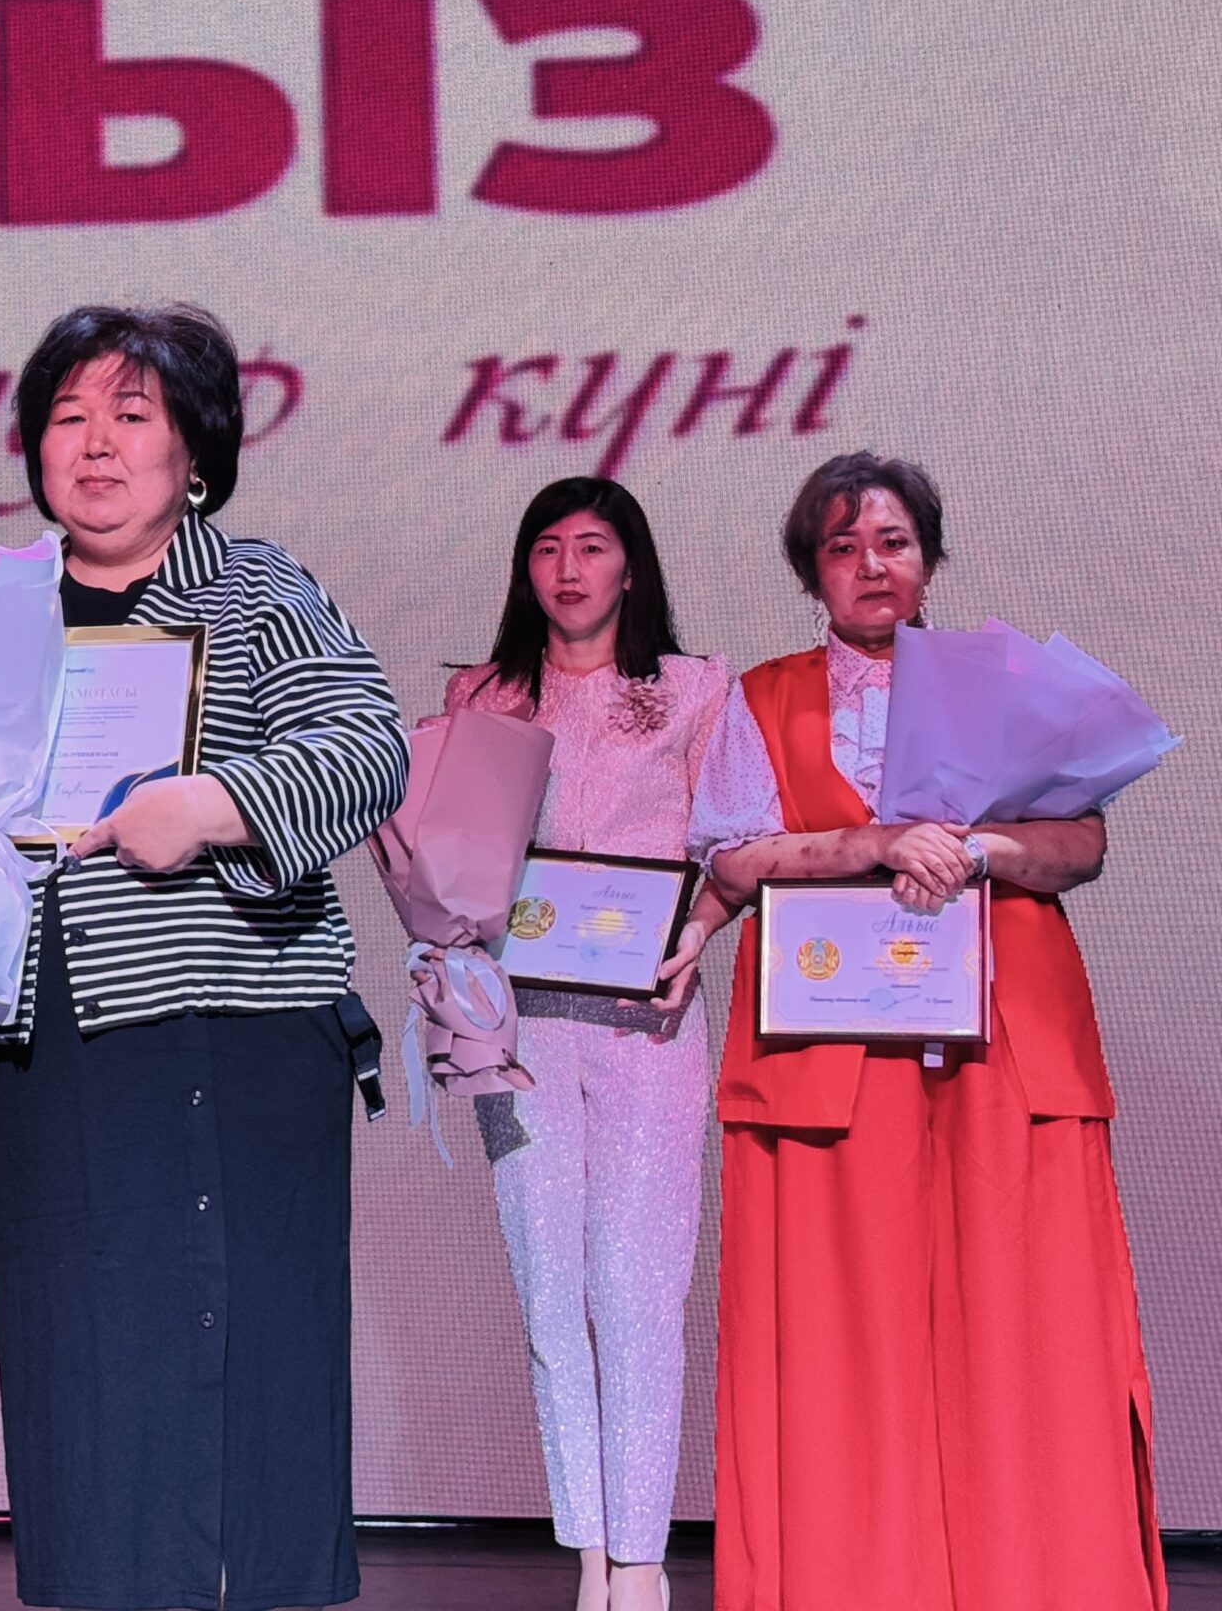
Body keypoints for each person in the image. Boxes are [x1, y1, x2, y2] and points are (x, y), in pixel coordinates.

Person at [0, 303, 407, 1611]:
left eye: (130, 416)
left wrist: (212, 805)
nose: (93, 444)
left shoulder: (254, 590)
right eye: (67, 417)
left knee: (239, 1374)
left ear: (193, 453)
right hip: (45, 1057)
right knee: (78, 1382)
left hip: (231, 1033)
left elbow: (366, 748)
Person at [691, 452, 1164, 1611]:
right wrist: (873, 844)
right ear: (812, 571)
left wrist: (979, 850)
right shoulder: (764, 697)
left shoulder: (1005, 684)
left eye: (892, 542)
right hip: (831, 1049)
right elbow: (732, 858)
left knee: (1026, 1320)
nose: (870, 566)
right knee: (842, 1333)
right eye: (842, 547)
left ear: (930, 559)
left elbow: (1082, 846)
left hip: (1005, 1045)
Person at [440, 477, 728, 1611]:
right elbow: (447, 857)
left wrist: (700, 928)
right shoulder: (483, 696)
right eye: (548, 548)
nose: (569, 569)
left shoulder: (695, 690)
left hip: (646, 1025)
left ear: (630, 566)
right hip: (514, 1032)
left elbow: (733, 845)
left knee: (638, 1290)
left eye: (593, 547)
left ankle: (643, 1561)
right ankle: (592, 1557)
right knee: (549, 1288)